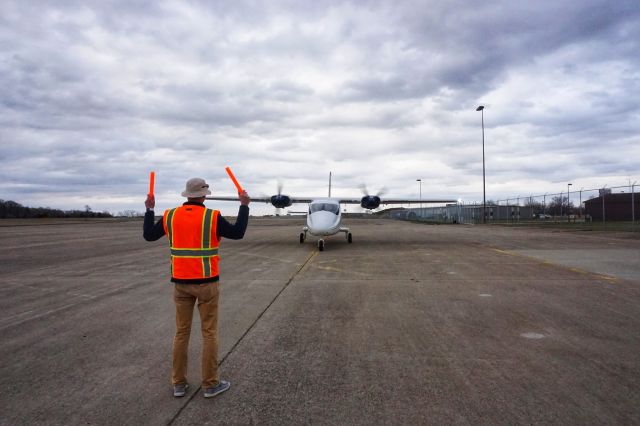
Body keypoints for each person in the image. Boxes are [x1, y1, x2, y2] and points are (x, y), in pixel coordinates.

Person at [143, 177, 250, 398]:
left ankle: (179, 383)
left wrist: (149, 210)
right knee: (209, 332)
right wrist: (244, 206)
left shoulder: (170, 216)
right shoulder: (212, 217)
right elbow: (238, 232)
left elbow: (149, 236)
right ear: (204, 195)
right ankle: (210, 384)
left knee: (181, 333)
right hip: (207, 283)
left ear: (187, 195)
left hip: (180, 284)